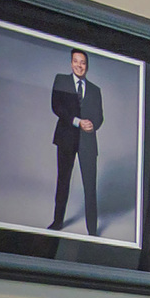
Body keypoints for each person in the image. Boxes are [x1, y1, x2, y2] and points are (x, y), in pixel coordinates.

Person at [47, 46, 109, 235]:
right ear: (71, 63)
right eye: (76, 61)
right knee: (63, 180)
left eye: (83, 63)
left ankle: (92, 229)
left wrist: (93, 125)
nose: (79, 66)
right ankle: (57, 222)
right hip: (66, 138)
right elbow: (56, 106)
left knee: (90, 186)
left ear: (87, 66)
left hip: (88, 142)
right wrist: (77, 122)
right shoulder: (61, 80)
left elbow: (100, 116)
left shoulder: (96, 90)